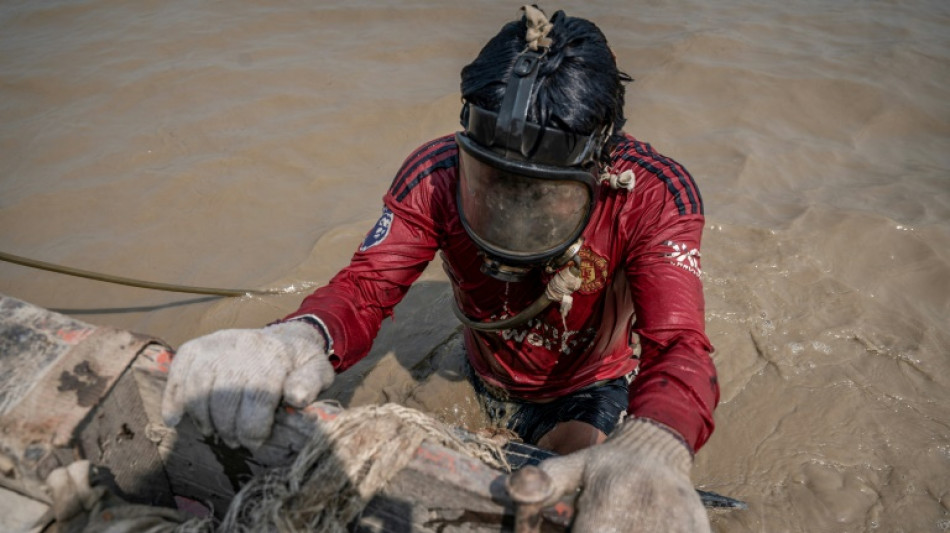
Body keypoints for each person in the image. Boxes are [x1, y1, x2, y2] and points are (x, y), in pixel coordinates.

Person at [163, 6, 718, 531]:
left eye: (540, 195)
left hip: (586, 384)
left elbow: (678, 345)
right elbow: (366, 288)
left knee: (577, 483)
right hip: (485, 369)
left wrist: (657, 442)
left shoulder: (652, 194)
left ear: (599, 164)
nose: (512, 215)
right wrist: (297, 337)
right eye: (495, 182)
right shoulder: (434, 175)